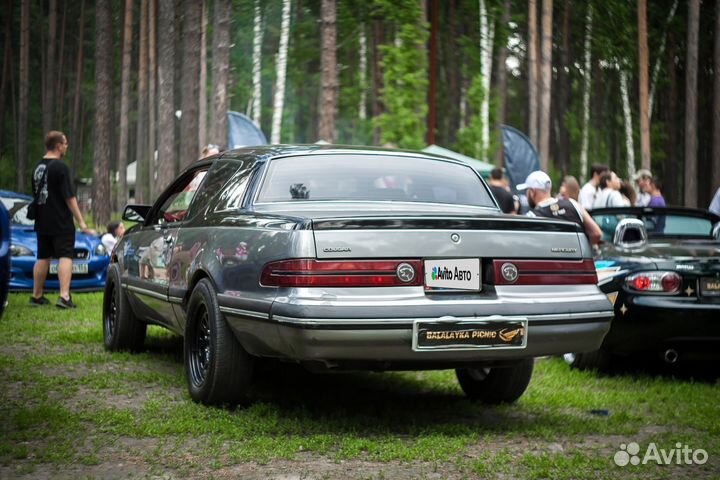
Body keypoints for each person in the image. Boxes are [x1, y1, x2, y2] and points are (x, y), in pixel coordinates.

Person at [30, 130, 93, 309]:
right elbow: (69, 197)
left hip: (42, 220)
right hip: (60, 221)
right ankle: (64, 296)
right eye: (65, 143)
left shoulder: (37, 167)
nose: (66, 146)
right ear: (58, 146)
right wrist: (81, 221)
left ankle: (36, 295)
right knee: (65, 255)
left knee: (43, 256)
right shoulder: (60, 167)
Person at [518, 170, 602, 246]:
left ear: (532, 192)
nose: (526, 194)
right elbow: (596, 233)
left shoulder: (531, 217)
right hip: (578, 261)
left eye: (527, 191)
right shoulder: (573, 204)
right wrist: (582, 249)